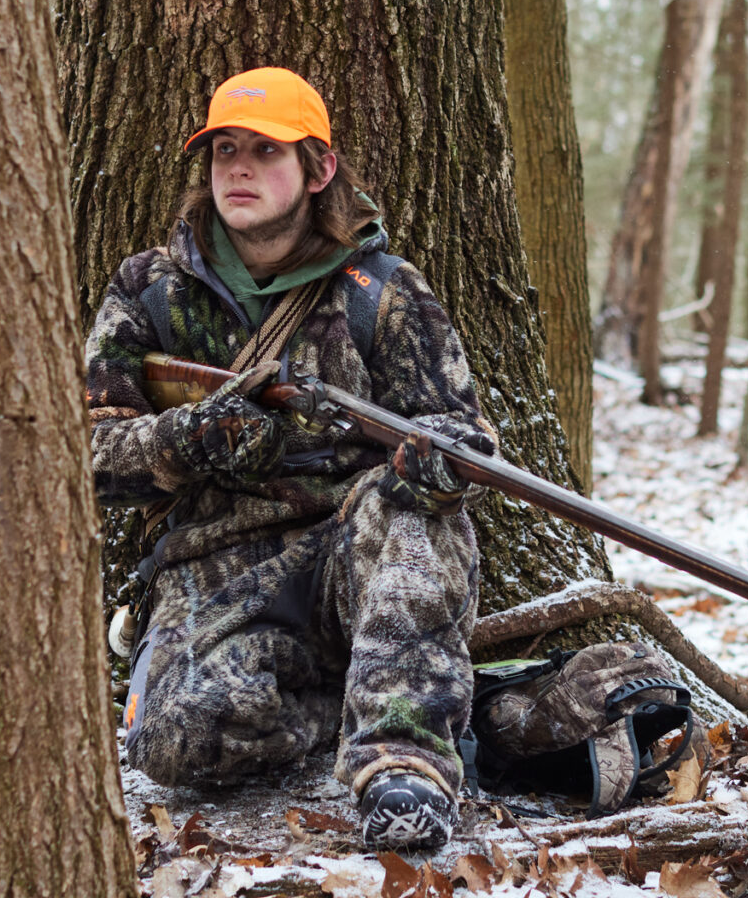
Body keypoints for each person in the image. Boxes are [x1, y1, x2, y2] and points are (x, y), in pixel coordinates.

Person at [84, 67, 491, 850]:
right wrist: (193, 437)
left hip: (354, 552)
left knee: (407, 506)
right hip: (218, 567)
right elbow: (88, 456)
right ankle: (347, 700)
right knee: (173, 743)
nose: (238, 168)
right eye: (224, 149)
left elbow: (466, 433)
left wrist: (437, 463)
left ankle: (404, 766)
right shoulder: (148, 290)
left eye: (265, 151)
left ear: (318, 169)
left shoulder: (383, 291)